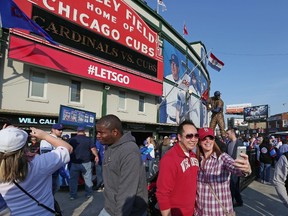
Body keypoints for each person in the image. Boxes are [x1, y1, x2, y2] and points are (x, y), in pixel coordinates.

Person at [0, 126, 73, 215]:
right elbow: (67, 148)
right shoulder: (39, 163)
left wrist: (4, 136)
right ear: (26, 146)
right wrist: (45, 136)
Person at [96, 114, 147, 216]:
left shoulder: (129, 151)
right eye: (97, 132)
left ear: (115, 132)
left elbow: (127, 190)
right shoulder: (109, 146)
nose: (98, 136)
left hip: (128, 212)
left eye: (101, 133)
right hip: (110, 208)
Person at [194, 127, 252, 216]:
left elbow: (235, 167)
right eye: (204, 138)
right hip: (201, 212)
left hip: (219, 212)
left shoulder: (222, 157)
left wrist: (246, 169)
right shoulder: (196, 160)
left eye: (210, 138)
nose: (208, 141)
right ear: (199, 141)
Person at [156, 120, 199, 215]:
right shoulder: (169, 159)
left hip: (192, 212)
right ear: (179, 137)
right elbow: (162, 193)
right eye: (189, 136)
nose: (193, 139)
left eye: (196, 136)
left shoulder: (193, 155)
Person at [69, 127, 99, 199]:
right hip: (86, 162)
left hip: (74, 162)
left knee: (73, 180)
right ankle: (88, 194)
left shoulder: (72, 139)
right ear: (84, 131)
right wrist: (96, 156)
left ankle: (73, 195)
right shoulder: (89, 139)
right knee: (88, 179)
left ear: (77, 131)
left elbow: (69, 149)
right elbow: (93, 149)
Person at [40, 123, 64, 195]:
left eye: (62, 130)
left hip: (55, 168)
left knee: (55, 188)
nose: (61, 131)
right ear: (53, 130)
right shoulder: (47, 139)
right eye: (59, 130)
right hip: (50, 169)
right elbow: (46, 155)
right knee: (50, 190)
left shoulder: (55, 139)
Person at [225, 127, 245, 207]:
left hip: (236, 168)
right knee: (234, 186)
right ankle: (239, 201)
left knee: (233, 185)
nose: (227, 135)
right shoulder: (228, 143)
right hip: (229, 167)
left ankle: (231, 203)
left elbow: (242, 156)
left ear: (232, 133)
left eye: (228, 134)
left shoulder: (239, 143)